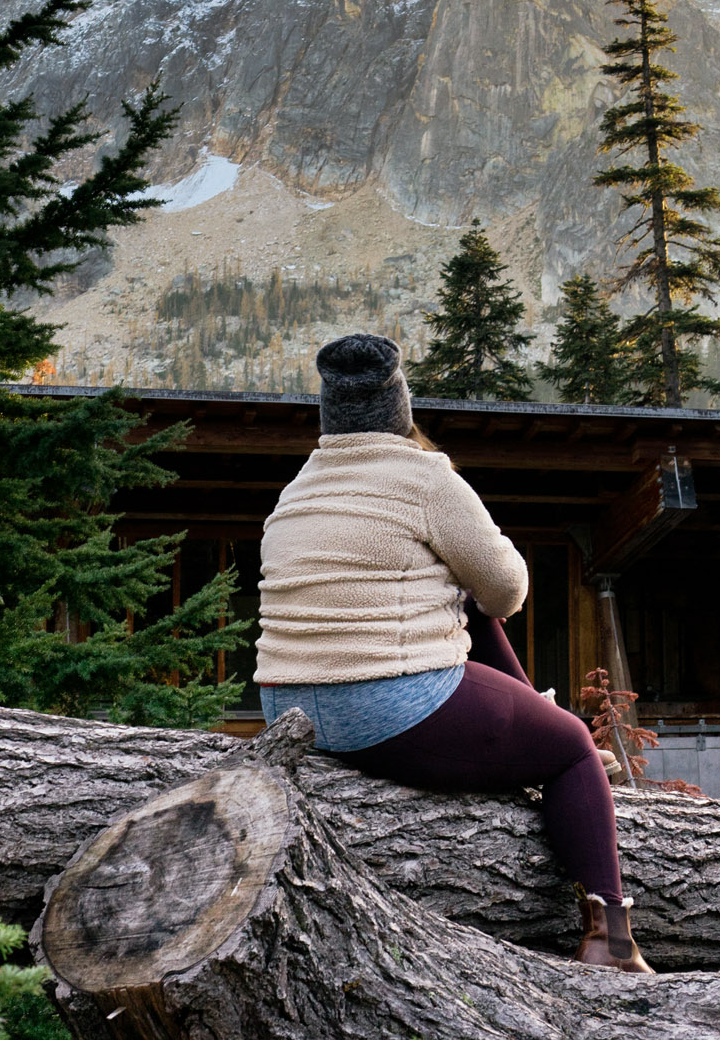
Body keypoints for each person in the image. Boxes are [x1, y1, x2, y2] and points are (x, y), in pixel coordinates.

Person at [255, 332, 651, 972]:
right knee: (574, 745)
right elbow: (507, 589)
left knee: (461, 602)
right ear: (401, 408)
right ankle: (611, 938)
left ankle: (531, 718)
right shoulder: (423, 478)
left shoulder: (299, 489)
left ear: (330, 415)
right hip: (388, 710)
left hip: (289, 708)